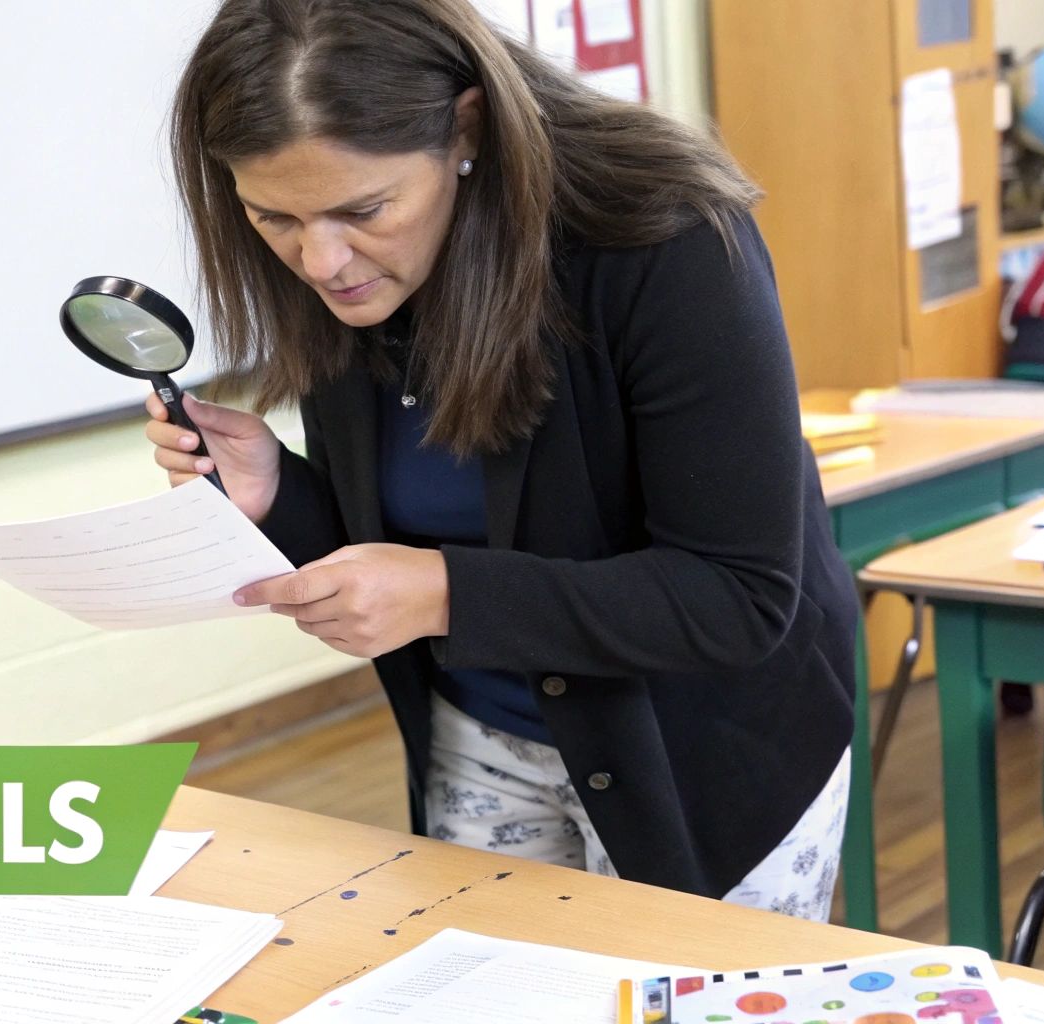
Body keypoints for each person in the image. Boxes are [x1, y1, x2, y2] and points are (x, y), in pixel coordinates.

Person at [144, 0, 859, 920]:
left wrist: (447, 592)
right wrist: (278, 489)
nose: (320, 261)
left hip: (701, 747)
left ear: (466, 130)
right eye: (273, 217)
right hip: (479, 736)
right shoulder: (350, 275)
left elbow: (737, 597)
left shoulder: (666, 238)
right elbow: (401, 541)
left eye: (363, 209)